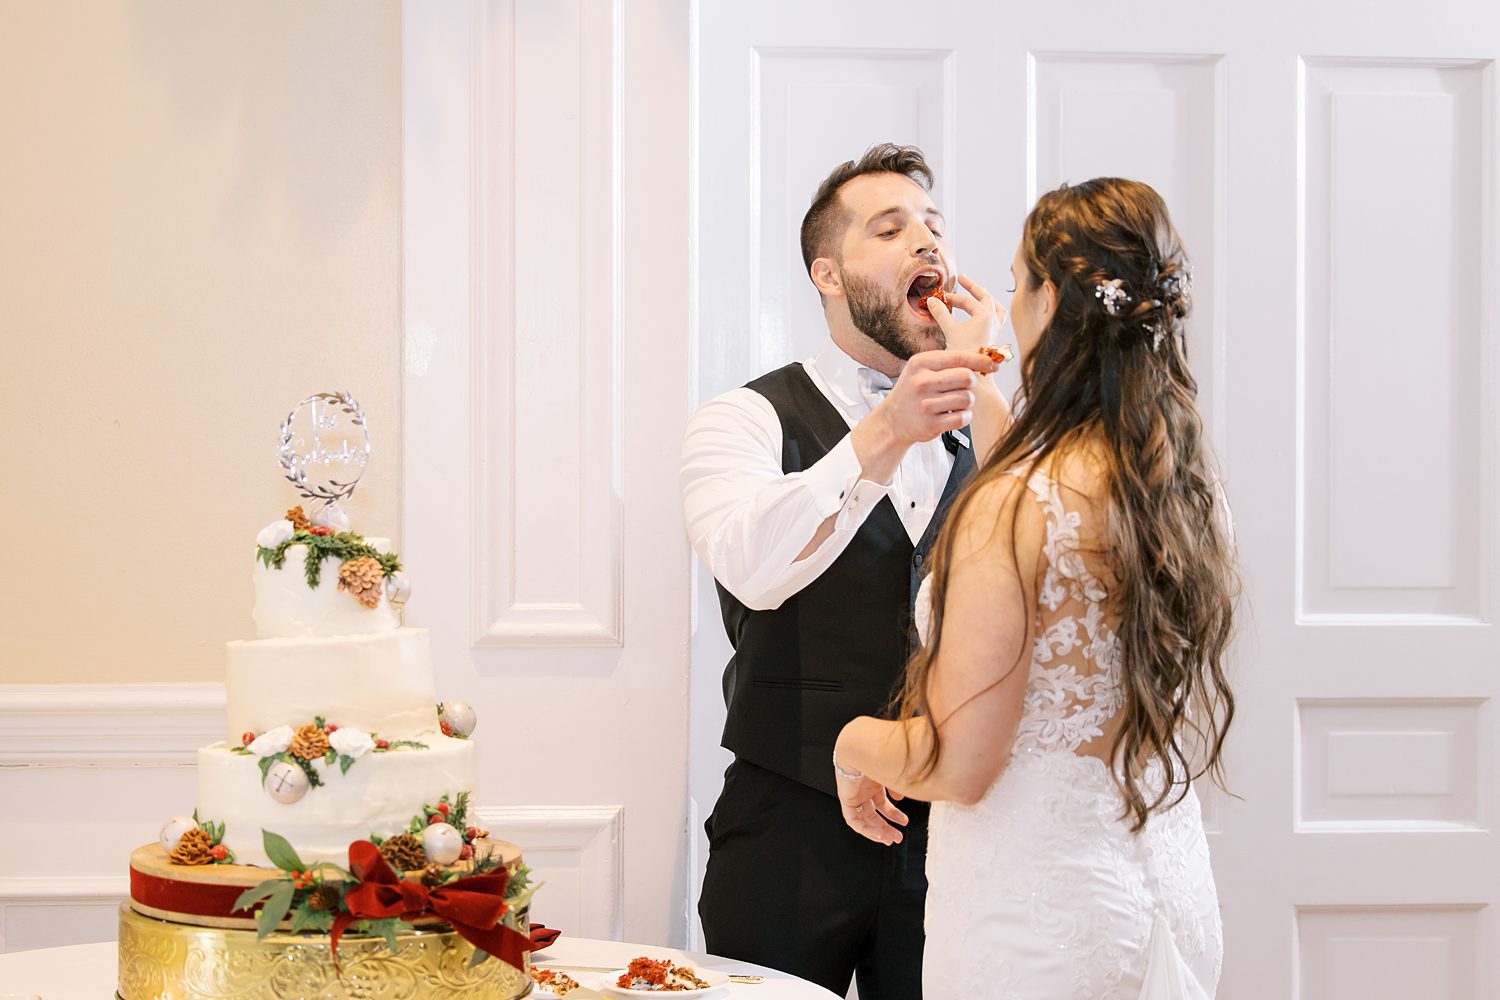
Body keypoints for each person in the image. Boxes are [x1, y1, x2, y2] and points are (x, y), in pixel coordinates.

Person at [833, 177, 1236, 998]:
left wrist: (851, 744)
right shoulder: (1176, 492)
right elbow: (1043, 498)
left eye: (1017, 286)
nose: (1009, 307)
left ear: (1052, 302)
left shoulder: (1012, 509)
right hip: (1166, 900)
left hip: (1037, 929)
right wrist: (973, 377)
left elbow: (957, 762)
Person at [680, 143, 1007, 999]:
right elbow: (753, 569)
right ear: (827, 273)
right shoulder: (743, 416)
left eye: (934, 228)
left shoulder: (997, 428)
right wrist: (885, 433)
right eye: (890, 229)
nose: (927, 245)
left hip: (959, 838)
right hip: (787, 831)